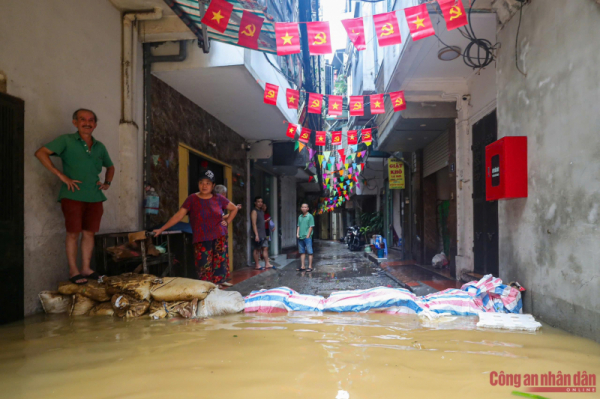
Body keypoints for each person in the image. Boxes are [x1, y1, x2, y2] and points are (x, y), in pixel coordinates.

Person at [35, 109, 115, 285]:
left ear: (95, 124)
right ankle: (74, 271)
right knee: (73, 233)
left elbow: (110, 166)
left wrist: (107, 182)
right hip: (72, 195)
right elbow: (41, 153)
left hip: (95, 196)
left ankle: (86, 268)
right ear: (75, 122)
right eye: (82, 119)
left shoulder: (100, 146)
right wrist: (61, 175)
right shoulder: (66, 140)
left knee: (89, 233)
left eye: (91, 120)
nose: (87, 123)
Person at [153, 170, 238, 287]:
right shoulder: (192, 199)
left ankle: (218, 288)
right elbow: (178, 216)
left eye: (208, 183)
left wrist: (227, 221)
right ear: (198, 184)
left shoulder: (218, 198)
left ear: (213, 185)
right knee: (203, 266)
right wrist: (161, 229)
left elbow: (234, 208)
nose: (204, 185)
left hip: (219, 236)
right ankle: (208, 289)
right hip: (201, 238)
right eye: (201, 182)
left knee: (219, 265)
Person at [251, 196, 273, 270]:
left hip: (263, 233)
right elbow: (254, 224)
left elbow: (260, 222)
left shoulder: (261, 211)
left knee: (265, 248)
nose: (260, 203)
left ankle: (267, 263)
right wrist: (256, 235)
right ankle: (257, 265)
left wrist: (266, 221)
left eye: (261, 202)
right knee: (257, 249)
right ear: (255, 203)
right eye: (258, 202)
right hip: (258, 233)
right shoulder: (254, 211)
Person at [296, 203, 315, 272]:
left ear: (308, 208)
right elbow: (299, 226)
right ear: (301, 208)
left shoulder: (310, 216)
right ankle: (302, 266)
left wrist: (308, 235)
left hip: (307, 237)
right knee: (302, 252)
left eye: (305, 207)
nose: (304, 208)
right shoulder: (300, 217)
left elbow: (311, 226)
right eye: (302, 207)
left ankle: (310, 266)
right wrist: (297, 233)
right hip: (300, 237)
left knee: (310, 252)